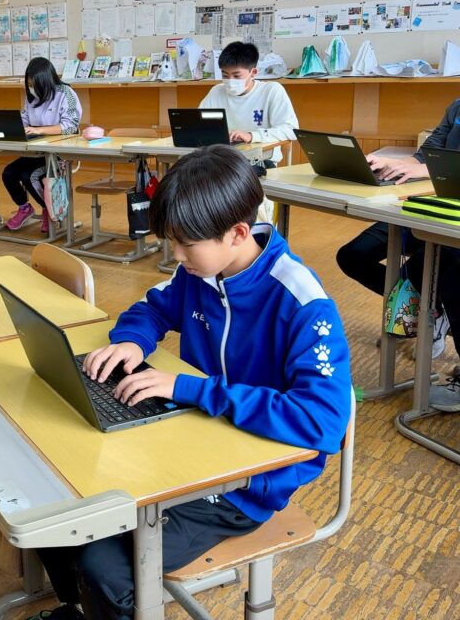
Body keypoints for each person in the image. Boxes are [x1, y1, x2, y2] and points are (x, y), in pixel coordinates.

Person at [33, 145, 352, 620]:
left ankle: (99, 599)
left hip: (248, 485)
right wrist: (133, 342)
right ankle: (77, 607)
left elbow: (323, 422)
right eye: (172, 243)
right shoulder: (202, 271)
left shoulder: (303, 304)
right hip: (183, 445)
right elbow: (151, 307)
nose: (177, 257)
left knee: (107, 566)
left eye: (186, 245)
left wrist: (190, 389)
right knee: (53, 489)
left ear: (238, 232)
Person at [336, 102, 460, 411]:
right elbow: (426, 154)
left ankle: (432, 310)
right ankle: (431, 313)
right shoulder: (456, 106)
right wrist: (389, 163)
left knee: (442, 275)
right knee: (353, 256)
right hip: (428, 206)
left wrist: (427, 169)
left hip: (454, 224)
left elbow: (429, 165)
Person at [4, 57, 82, 233]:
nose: (32, 88)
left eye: (35, 84)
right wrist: (15, 128)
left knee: (28, 176)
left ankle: (48, 209)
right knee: (9, 173)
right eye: (29, 84)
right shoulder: (32, 97)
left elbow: (70, 126)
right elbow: (24, 119)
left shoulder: (66, 93)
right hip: (36, 151)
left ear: (46, 81)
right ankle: (24, 208)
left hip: (57, 154)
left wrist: (39, 130)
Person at [199, 41, 298, 162]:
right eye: (225, 75)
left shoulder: (271, 91)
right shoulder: (216, 91)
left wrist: (252, 136)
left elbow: (291, 130)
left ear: (253, 73)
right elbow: (199, 124)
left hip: (260, 160)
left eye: (236, 76)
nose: (230, 81)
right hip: (223, 159)